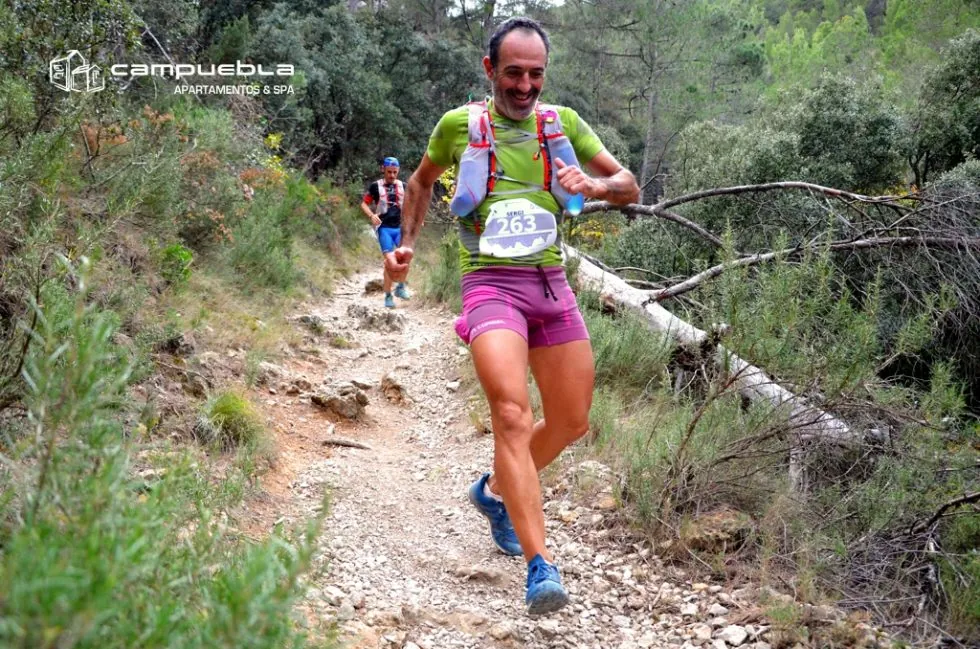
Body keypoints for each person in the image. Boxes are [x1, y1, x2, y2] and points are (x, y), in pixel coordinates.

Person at [388, 16, 638, 615]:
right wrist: (407, 246)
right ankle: (539, 566)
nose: (525, 85)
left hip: (551, 286)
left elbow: (628, 184)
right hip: (490, 285)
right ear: (490, 70)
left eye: (535, 74)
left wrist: (595, 188)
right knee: (511, 414)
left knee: (572, 421)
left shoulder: (564, 124)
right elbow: (420, 183)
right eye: (513, 73)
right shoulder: (459, 126)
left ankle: (496, 490)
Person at [361, 157, 411, 308]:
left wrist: (416, 219)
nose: (392, 175)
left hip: (400, 228)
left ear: (398, 171)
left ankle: (400, 287)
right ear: (383, 169)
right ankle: (388, 296)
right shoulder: (375, 186)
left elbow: (412, 204)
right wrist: (371, 215)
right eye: (389, 172)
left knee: (404, 258)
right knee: (390, 262)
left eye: (395, 172)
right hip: (384, 229)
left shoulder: (403, 186)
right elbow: (364, 204)